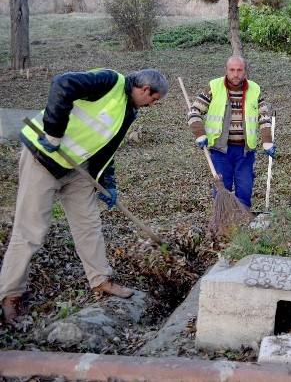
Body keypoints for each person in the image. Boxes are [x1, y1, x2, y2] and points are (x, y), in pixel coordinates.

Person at [0, 68, 169, 324]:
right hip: (43, 160)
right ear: (145, 89)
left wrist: (107, 182)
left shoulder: (129, 110)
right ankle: (10, 296)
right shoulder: (109, 81)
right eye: (154, 99)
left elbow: (105, 148)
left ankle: (101, 280)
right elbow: (62, 84)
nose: (152, 105)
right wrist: (54, 132)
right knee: (30, 230)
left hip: (77, 168)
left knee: (89, 225)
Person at [188, 55, 274, 208]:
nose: (236, 74)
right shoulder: (213, 87)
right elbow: (194, 111)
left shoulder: (254, 89)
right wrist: (199, 134)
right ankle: (222, 224)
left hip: (245, 153)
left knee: (245, 190)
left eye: (239, 70)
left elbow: (264, 117)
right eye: (232, 70)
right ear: (226, 70)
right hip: (220, 151)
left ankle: (243, 225)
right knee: (222, 191)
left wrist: (267, 141)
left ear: (245, 71)